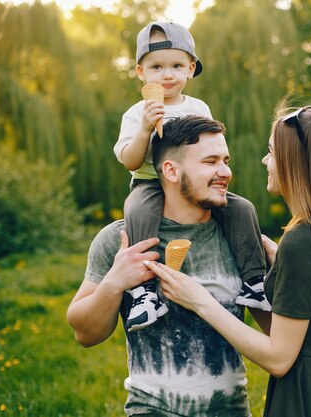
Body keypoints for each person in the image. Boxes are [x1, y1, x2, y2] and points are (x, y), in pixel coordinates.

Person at [67, 115, 311, 417]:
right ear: (171, 170)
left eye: (225, 161)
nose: (225, 171)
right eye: (210, 162)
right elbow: (85, 334)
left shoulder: (242, 243)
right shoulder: (124, 241)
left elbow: (279, 334)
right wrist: (114, 283)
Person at [114, 21, 269, 332]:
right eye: (156, 67)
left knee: (242, 208)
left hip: (195, 184)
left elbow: (209, 146)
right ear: (141, 73)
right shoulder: (136, 113)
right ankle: (144, 293)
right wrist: (145, 128)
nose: (167, 74)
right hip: (151, 183)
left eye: (176, 66)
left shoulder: (198, 108)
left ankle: (254, 281)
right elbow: (130, 161)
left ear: (191, 68)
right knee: (137, 211)